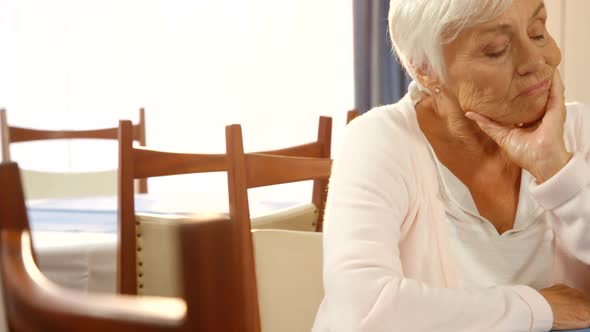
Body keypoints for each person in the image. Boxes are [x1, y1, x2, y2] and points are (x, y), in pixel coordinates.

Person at [312, 0, 590, 331]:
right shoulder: (378, 140)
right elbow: (363, 309)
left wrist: (556, 168)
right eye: (496, 50)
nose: (536, 61)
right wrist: (536, 308)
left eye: (538, 33)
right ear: (425, 70)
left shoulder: (577, 130)